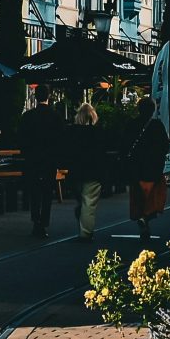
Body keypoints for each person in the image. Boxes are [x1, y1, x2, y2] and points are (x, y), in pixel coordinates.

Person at [14, 93, 67, 237]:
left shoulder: (28, 116)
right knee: (47, 192)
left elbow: (20, 137)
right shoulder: (55, 116)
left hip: (32, 159)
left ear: (36, 98)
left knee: (34, 191)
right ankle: (44, 222)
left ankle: (36, 219)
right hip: (49, 159)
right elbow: (61, 138)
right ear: (48, 97)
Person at [124, 100, 170, 246]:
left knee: (139, 198)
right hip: (153, 169)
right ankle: (145, 218)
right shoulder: (156, 125)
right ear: (152, 110)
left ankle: (142, 218)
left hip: (135, 169)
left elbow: (124, 144)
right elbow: (164, 146)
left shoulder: (131, 124)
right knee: (155, 198)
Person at [70, 102, 108, 241]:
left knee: (82, 200)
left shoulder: (72, 132)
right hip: (94, 172)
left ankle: (82, 219)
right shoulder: (98, 132)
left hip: (76, 173)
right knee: (89, 203)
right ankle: (85, 233)